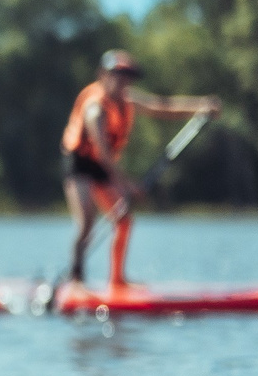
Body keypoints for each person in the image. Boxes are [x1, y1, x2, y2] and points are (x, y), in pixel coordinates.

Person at [60, 50, 217, 288]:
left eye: (128, 77)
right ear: (103, 75)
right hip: (79, 164)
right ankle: (76, 281)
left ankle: (117, 280)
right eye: (118, 75)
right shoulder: (95, 108)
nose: (123, 81)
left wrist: (201, 106)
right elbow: (103, 153)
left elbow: (162, 106)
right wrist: (127, 185)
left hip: (102, 167)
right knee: (87, 221)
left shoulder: (128, 101)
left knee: (123, 220)